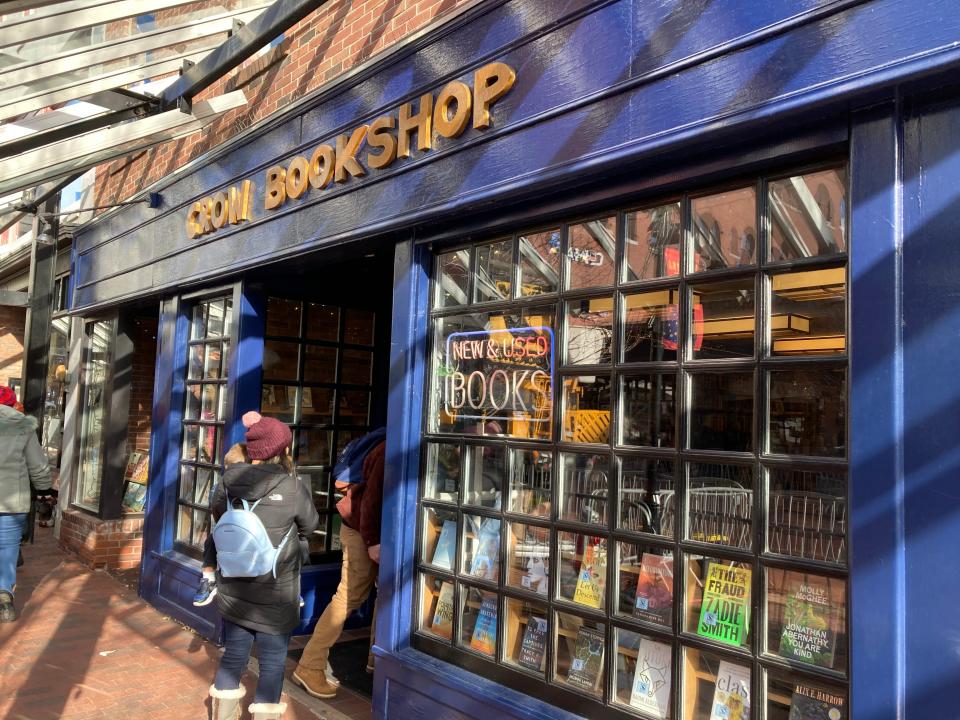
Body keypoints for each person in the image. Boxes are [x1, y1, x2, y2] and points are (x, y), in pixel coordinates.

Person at [207, 412, 318, 720]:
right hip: (275, 593)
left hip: (235, 588)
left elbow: (219, 524)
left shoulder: (226, 485)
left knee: (233, 658)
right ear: (282, 450)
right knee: (271, 664)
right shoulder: (292, 488)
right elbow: (311, 526)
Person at [293, 428, 385, 699]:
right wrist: (373, 542)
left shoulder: (387, 443)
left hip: (371, 532)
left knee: (385, 592)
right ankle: (310, 665)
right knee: (349, 596)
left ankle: (376, 658)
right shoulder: (388, 449)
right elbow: (371, 501)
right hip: (363, 532)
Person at [0, 386, 52, 622]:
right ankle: (4, 598)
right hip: (13, 501)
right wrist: (43, 487)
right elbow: (37, 464)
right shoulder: (22, 425)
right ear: (12, 404)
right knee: (8, 548)